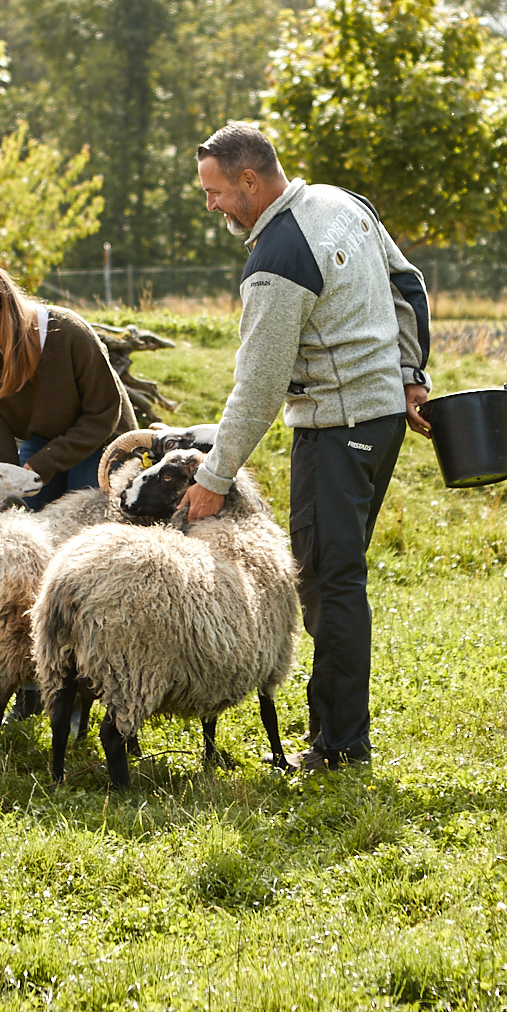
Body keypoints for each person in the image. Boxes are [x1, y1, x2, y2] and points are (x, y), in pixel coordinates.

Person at [183, 122, 431, 772]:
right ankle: (337, 734)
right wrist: (411, 377)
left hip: (335, 428)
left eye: (214, 192)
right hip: (379, 425)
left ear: (249, 180)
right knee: (335, 577)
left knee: (330, 582)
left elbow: (259, 388)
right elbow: (409, 286)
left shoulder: (277, 259)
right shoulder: (342, 204)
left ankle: (341, 743)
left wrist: (214, 477)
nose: (210, 205)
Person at [0, 260, 131, 511]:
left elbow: (104, 413)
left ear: (7, 307)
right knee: (23, 511)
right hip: (44, 439)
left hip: (102, 436)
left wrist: (48, 459)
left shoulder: (69, 333)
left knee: (84, 508)